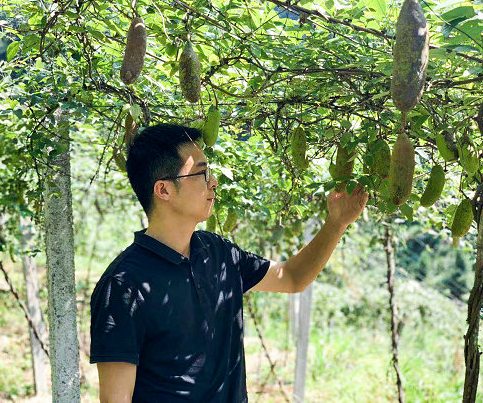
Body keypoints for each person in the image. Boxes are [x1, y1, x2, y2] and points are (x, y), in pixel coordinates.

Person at [89, 124, 368, 402]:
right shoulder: (124, 285)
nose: (213, 182)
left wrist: (336, 223)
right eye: (201, 173)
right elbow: (115, 399)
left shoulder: (218, 253)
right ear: (163, 190)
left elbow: (293, 277)